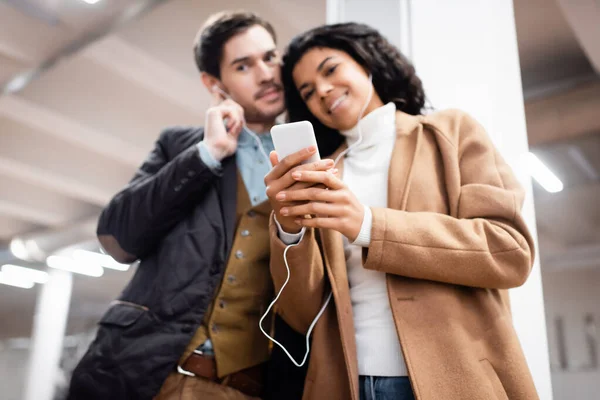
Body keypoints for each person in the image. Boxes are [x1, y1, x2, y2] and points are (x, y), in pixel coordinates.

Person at [264, 22, 540, 400]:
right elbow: (300, 314)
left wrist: (369, 226)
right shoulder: (322, 175)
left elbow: (509, 251)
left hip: (457, 378)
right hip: (347, 385)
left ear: (367, 63)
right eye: (308, 91)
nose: (323, 91)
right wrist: (289, 232)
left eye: (330, 70)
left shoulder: (450, 131)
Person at [67, 10, 315, 400]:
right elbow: (117, 238)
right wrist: (209, 152)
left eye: (270, 57)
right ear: (214, 84)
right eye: (243, 65)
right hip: (144, 377)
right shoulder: (180, 146)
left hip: (249, 389)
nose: (266, 73)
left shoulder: (316, 157)